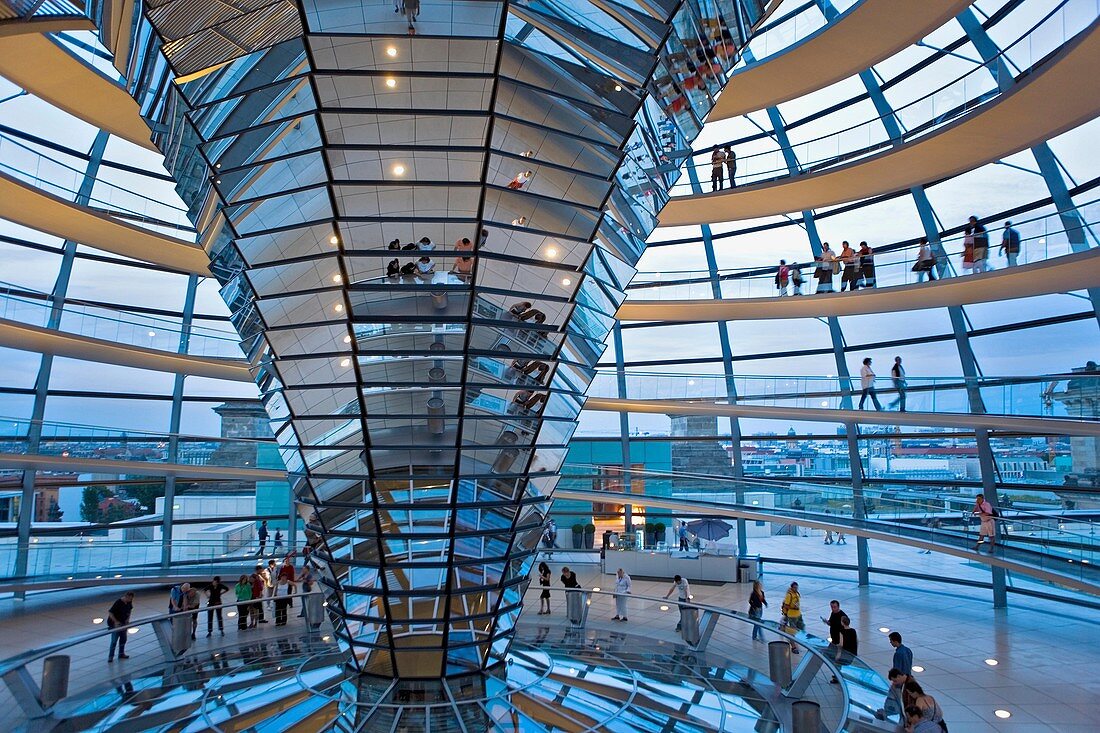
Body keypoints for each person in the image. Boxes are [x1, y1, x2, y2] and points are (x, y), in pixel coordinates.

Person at [107, 591, 134, 662]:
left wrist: (128, 619)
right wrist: (116, 622)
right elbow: (110, 612)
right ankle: (111, 656)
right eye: (129, 599)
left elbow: (130, 610)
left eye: (131, 599)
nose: (130, 600)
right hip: (115, 625)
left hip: (123, 623)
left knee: (123, 639)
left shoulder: (129, 602)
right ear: (126, 597)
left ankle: (121, 653)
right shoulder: (118, 602)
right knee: (114, 641)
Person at [831, 615, 858, 683]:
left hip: (845, 653)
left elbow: (841, 644)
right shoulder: (853, 631)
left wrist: (837, 649)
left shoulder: (842, 631)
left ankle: (836, 678)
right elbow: (857, 641)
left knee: (836, 663)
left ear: (842, 623)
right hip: (852, 653)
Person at [780, 581, 804, 650]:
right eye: (795, 587)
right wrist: (793, 608)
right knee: (792, 631)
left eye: (797, 587)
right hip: (791, 616)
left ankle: (793, 639)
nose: (796, 589)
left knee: (800, 628)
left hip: (798, 615)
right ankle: (793, 646)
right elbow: (786, 605)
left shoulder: (797, 594)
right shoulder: (789, 595)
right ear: (792, 588)